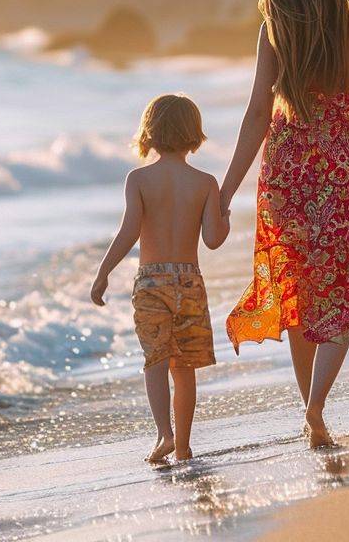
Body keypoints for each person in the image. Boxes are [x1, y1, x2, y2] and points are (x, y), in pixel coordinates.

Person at [220, 0, 349, 449]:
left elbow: (258, 114)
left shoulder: (274, 33)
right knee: (339, 295)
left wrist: (227, 190)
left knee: (299, 299)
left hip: (286, 178)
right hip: (345, 176)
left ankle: (311, 410)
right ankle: (315, 407)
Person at [89, 94, 229, 462]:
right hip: (190, 282)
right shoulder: (205, 182)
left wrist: (103, 273)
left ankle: (163, 435)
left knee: (156, 361)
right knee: (184, 368)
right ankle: (183, 446)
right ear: (194, 134)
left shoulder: (138, 179)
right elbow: (214, 241)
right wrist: (223, 213)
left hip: (151, 282)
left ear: (149, 132)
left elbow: (128, 232)